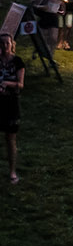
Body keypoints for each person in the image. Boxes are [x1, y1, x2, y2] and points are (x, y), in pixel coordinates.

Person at [0, 33, 23, 184]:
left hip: (11, 103)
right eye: (1, 44)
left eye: (7, 43)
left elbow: (21, 84)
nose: (4, 46)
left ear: (12, 44)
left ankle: (12, 171)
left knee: (10, 138)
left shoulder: (18, 62)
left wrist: (7, 84)